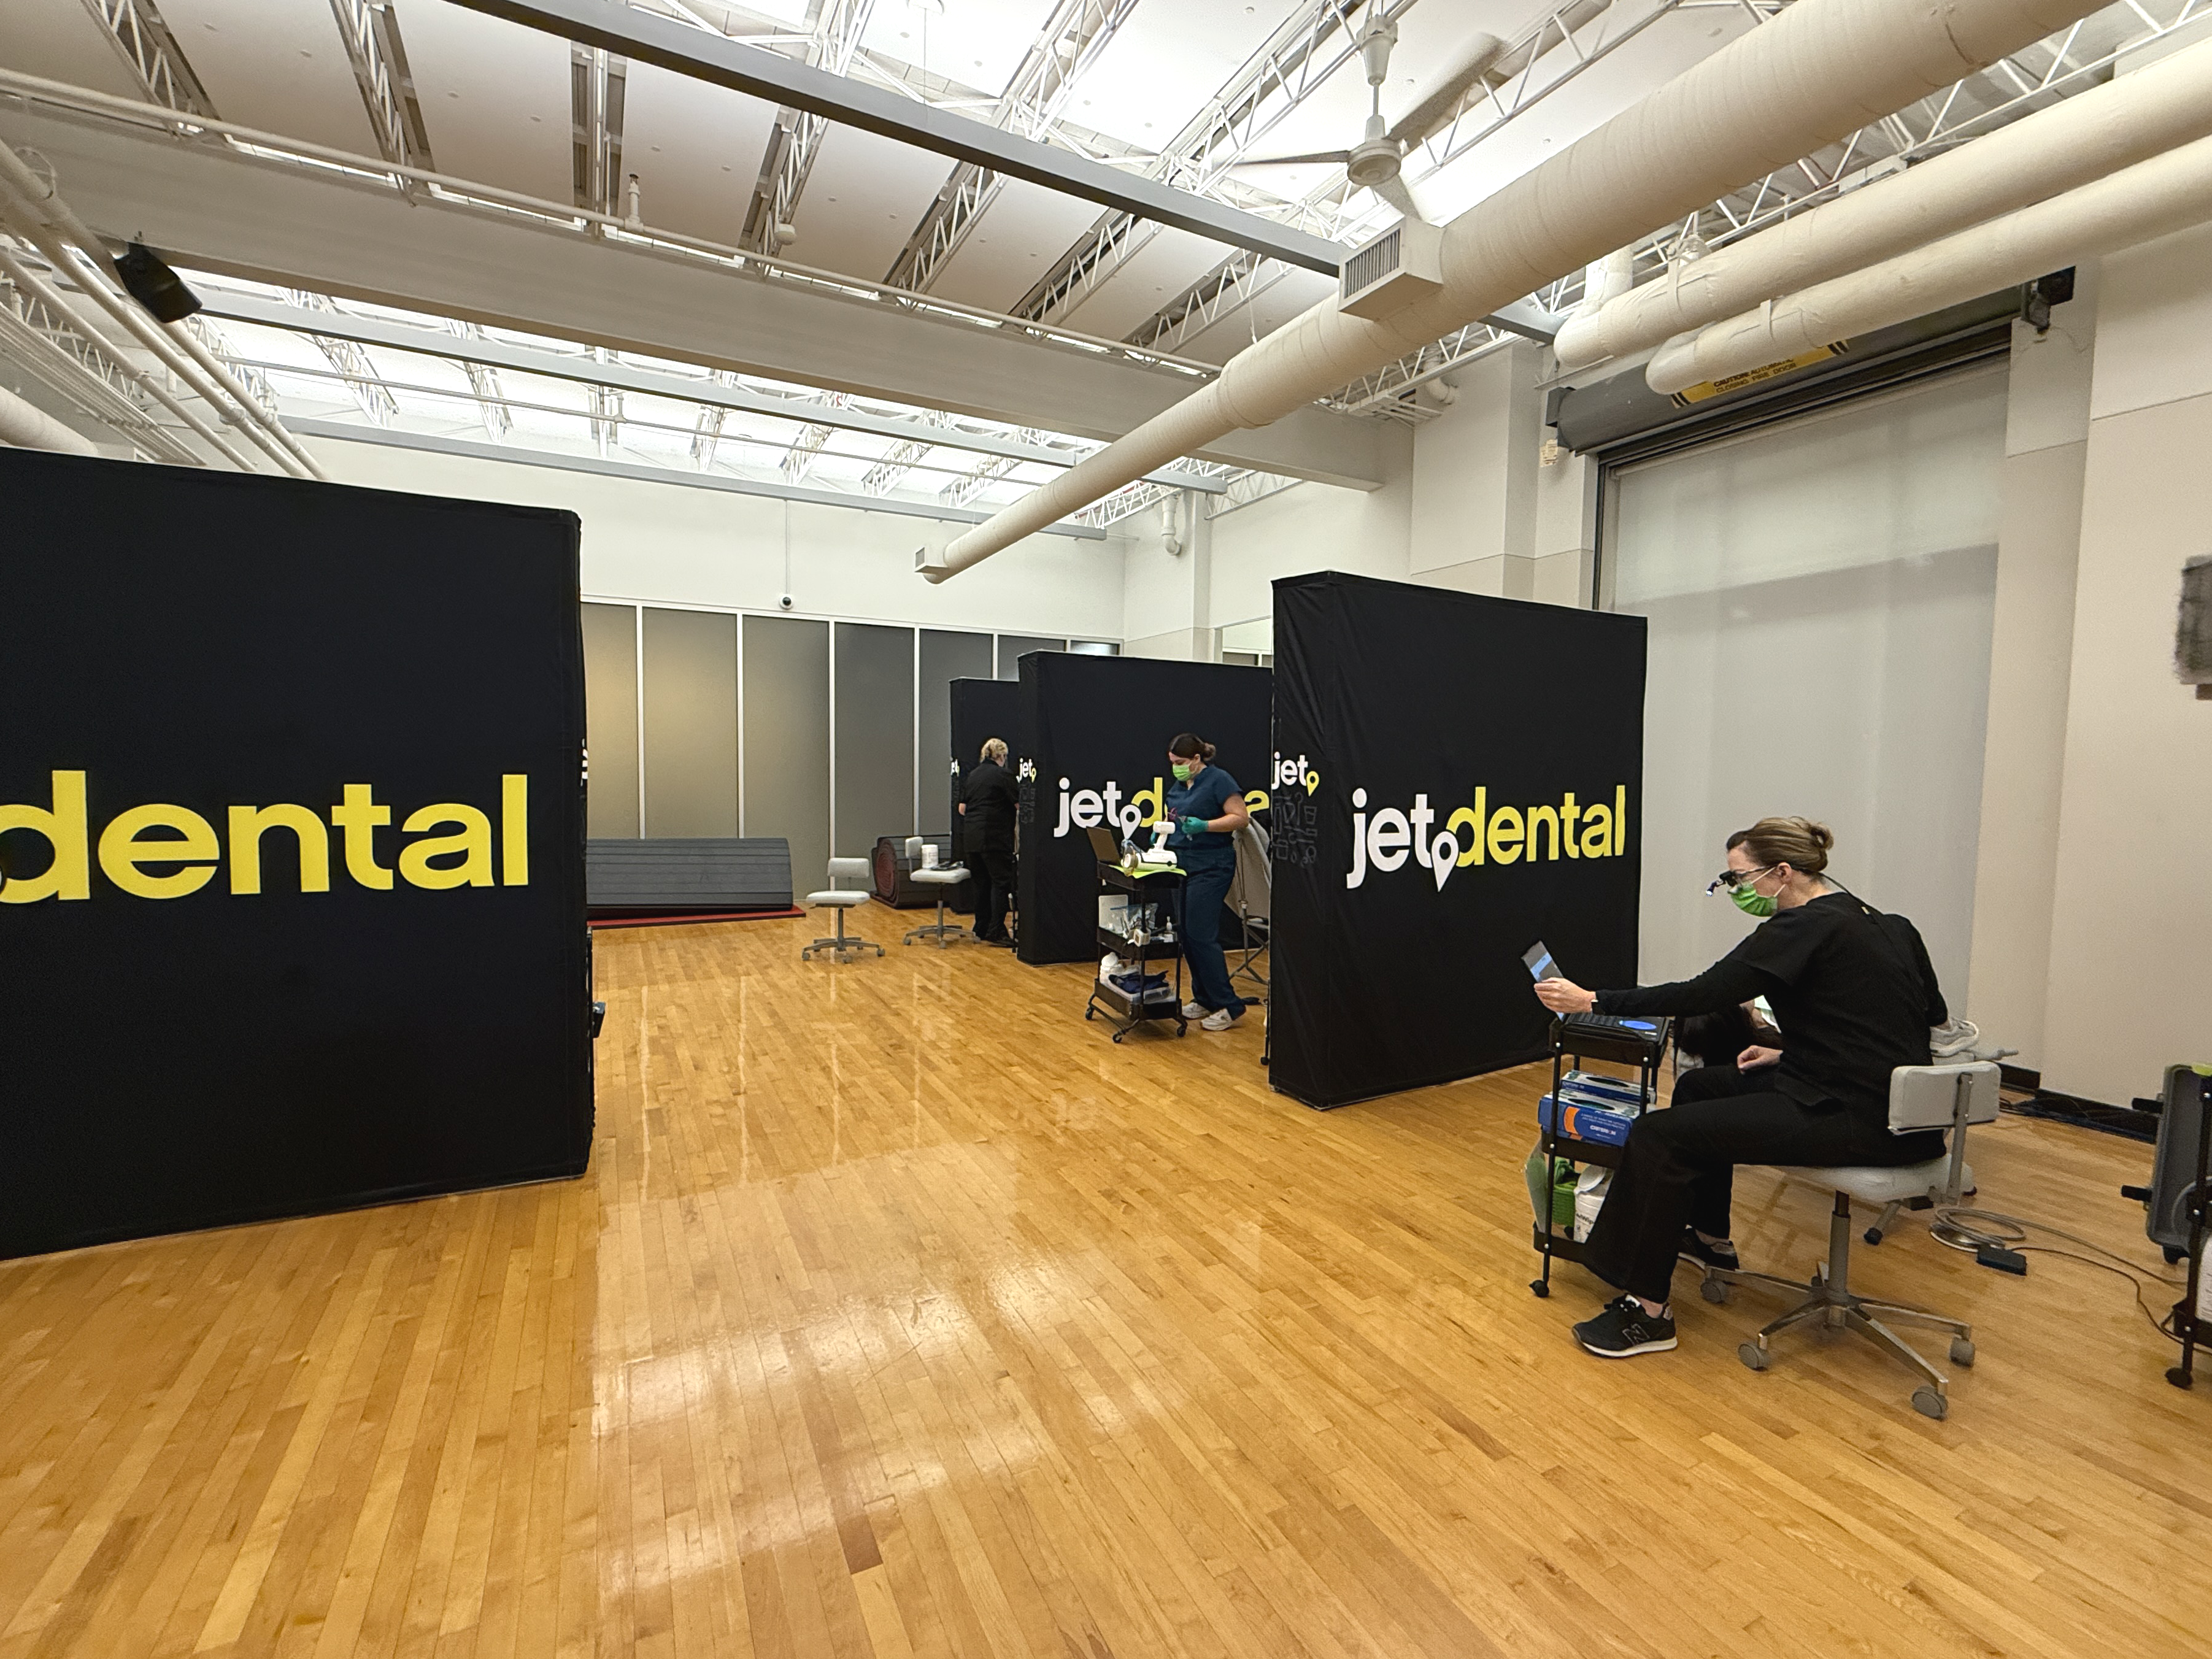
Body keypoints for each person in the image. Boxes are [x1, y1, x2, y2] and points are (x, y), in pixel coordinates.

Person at [1532, 816, 1949, 1360]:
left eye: (1737, 878)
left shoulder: (1800, 928)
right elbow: (1922, 1018)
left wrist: (1593, 1000)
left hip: (1854, 1118)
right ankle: (1709, 1237)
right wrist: (1792, 1051)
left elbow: (1704, 993)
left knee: (1659, 1136)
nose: (1735, 891)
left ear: (1781, 872)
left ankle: (1648, 1313)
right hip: (1896, 1110)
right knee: (1702, 1088)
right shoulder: (1891, 925)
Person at [1162, 733, 1251, 1031]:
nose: (1176, 767)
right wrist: (1162, 831)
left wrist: (1206, 826)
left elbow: (1241, 817)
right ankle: (1204, 998)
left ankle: (1230, 1004)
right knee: (1185, 934)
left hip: (1212, 866)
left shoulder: (1219, 780)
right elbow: (1174, 817)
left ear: (1197, 759)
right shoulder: (1178, 786)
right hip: (1182, 865)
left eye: (1181, 762)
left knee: (1201, 933)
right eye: (1173, 762)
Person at [957, 737, 1017, 945]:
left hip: (971, 839)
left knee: (981, 884)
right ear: (1001, 756)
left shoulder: (973, 776)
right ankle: (997, 930)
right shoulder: (1003, 775)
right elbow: (1020, 805)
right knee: (1000, 883)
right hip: (994, 838)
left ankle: (981, 927)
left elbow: (962, 809)